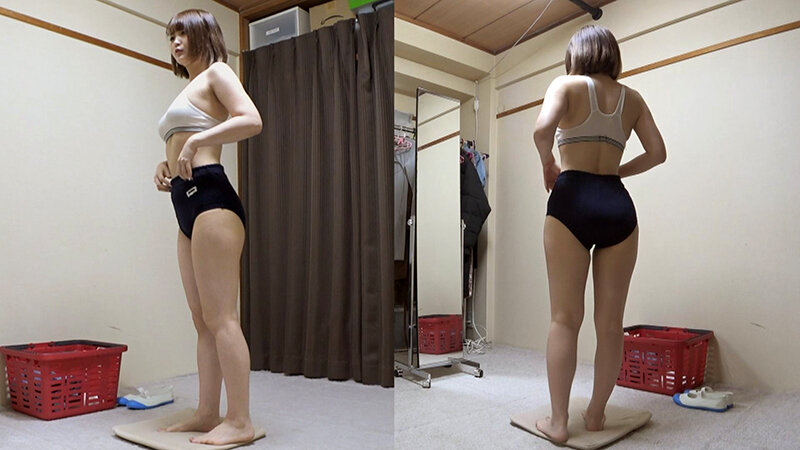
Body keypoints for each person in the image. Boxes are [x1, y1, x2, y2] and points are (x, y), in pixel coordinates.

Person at [532, 24, 666, 443]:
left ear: (577, 54)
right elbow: (658, 153)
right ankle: (595, 415)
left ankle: (558, 422)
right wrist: (617, 172)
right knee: (610, 324)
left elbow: (540, 131)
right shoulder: (633, 98)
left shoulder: (566, 84)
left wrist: (548, 164)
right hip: (616, 204)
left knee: (564, 318)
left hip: (571, 198)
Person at [152, 9, 262, 446]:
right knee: (202, 322)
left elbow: (251, 119)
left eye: (183, 34)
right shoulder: (188, 87)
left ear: (204, 35)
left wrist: (198, 140)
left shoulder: (218, 72)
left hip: (213, 199)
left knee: (222, 318)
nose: (176, 42)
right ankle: (206, 413)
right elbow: (182, 138)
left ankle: (240, 420)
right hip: (184, 202)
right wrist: (164, 164)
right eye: (172, 36)